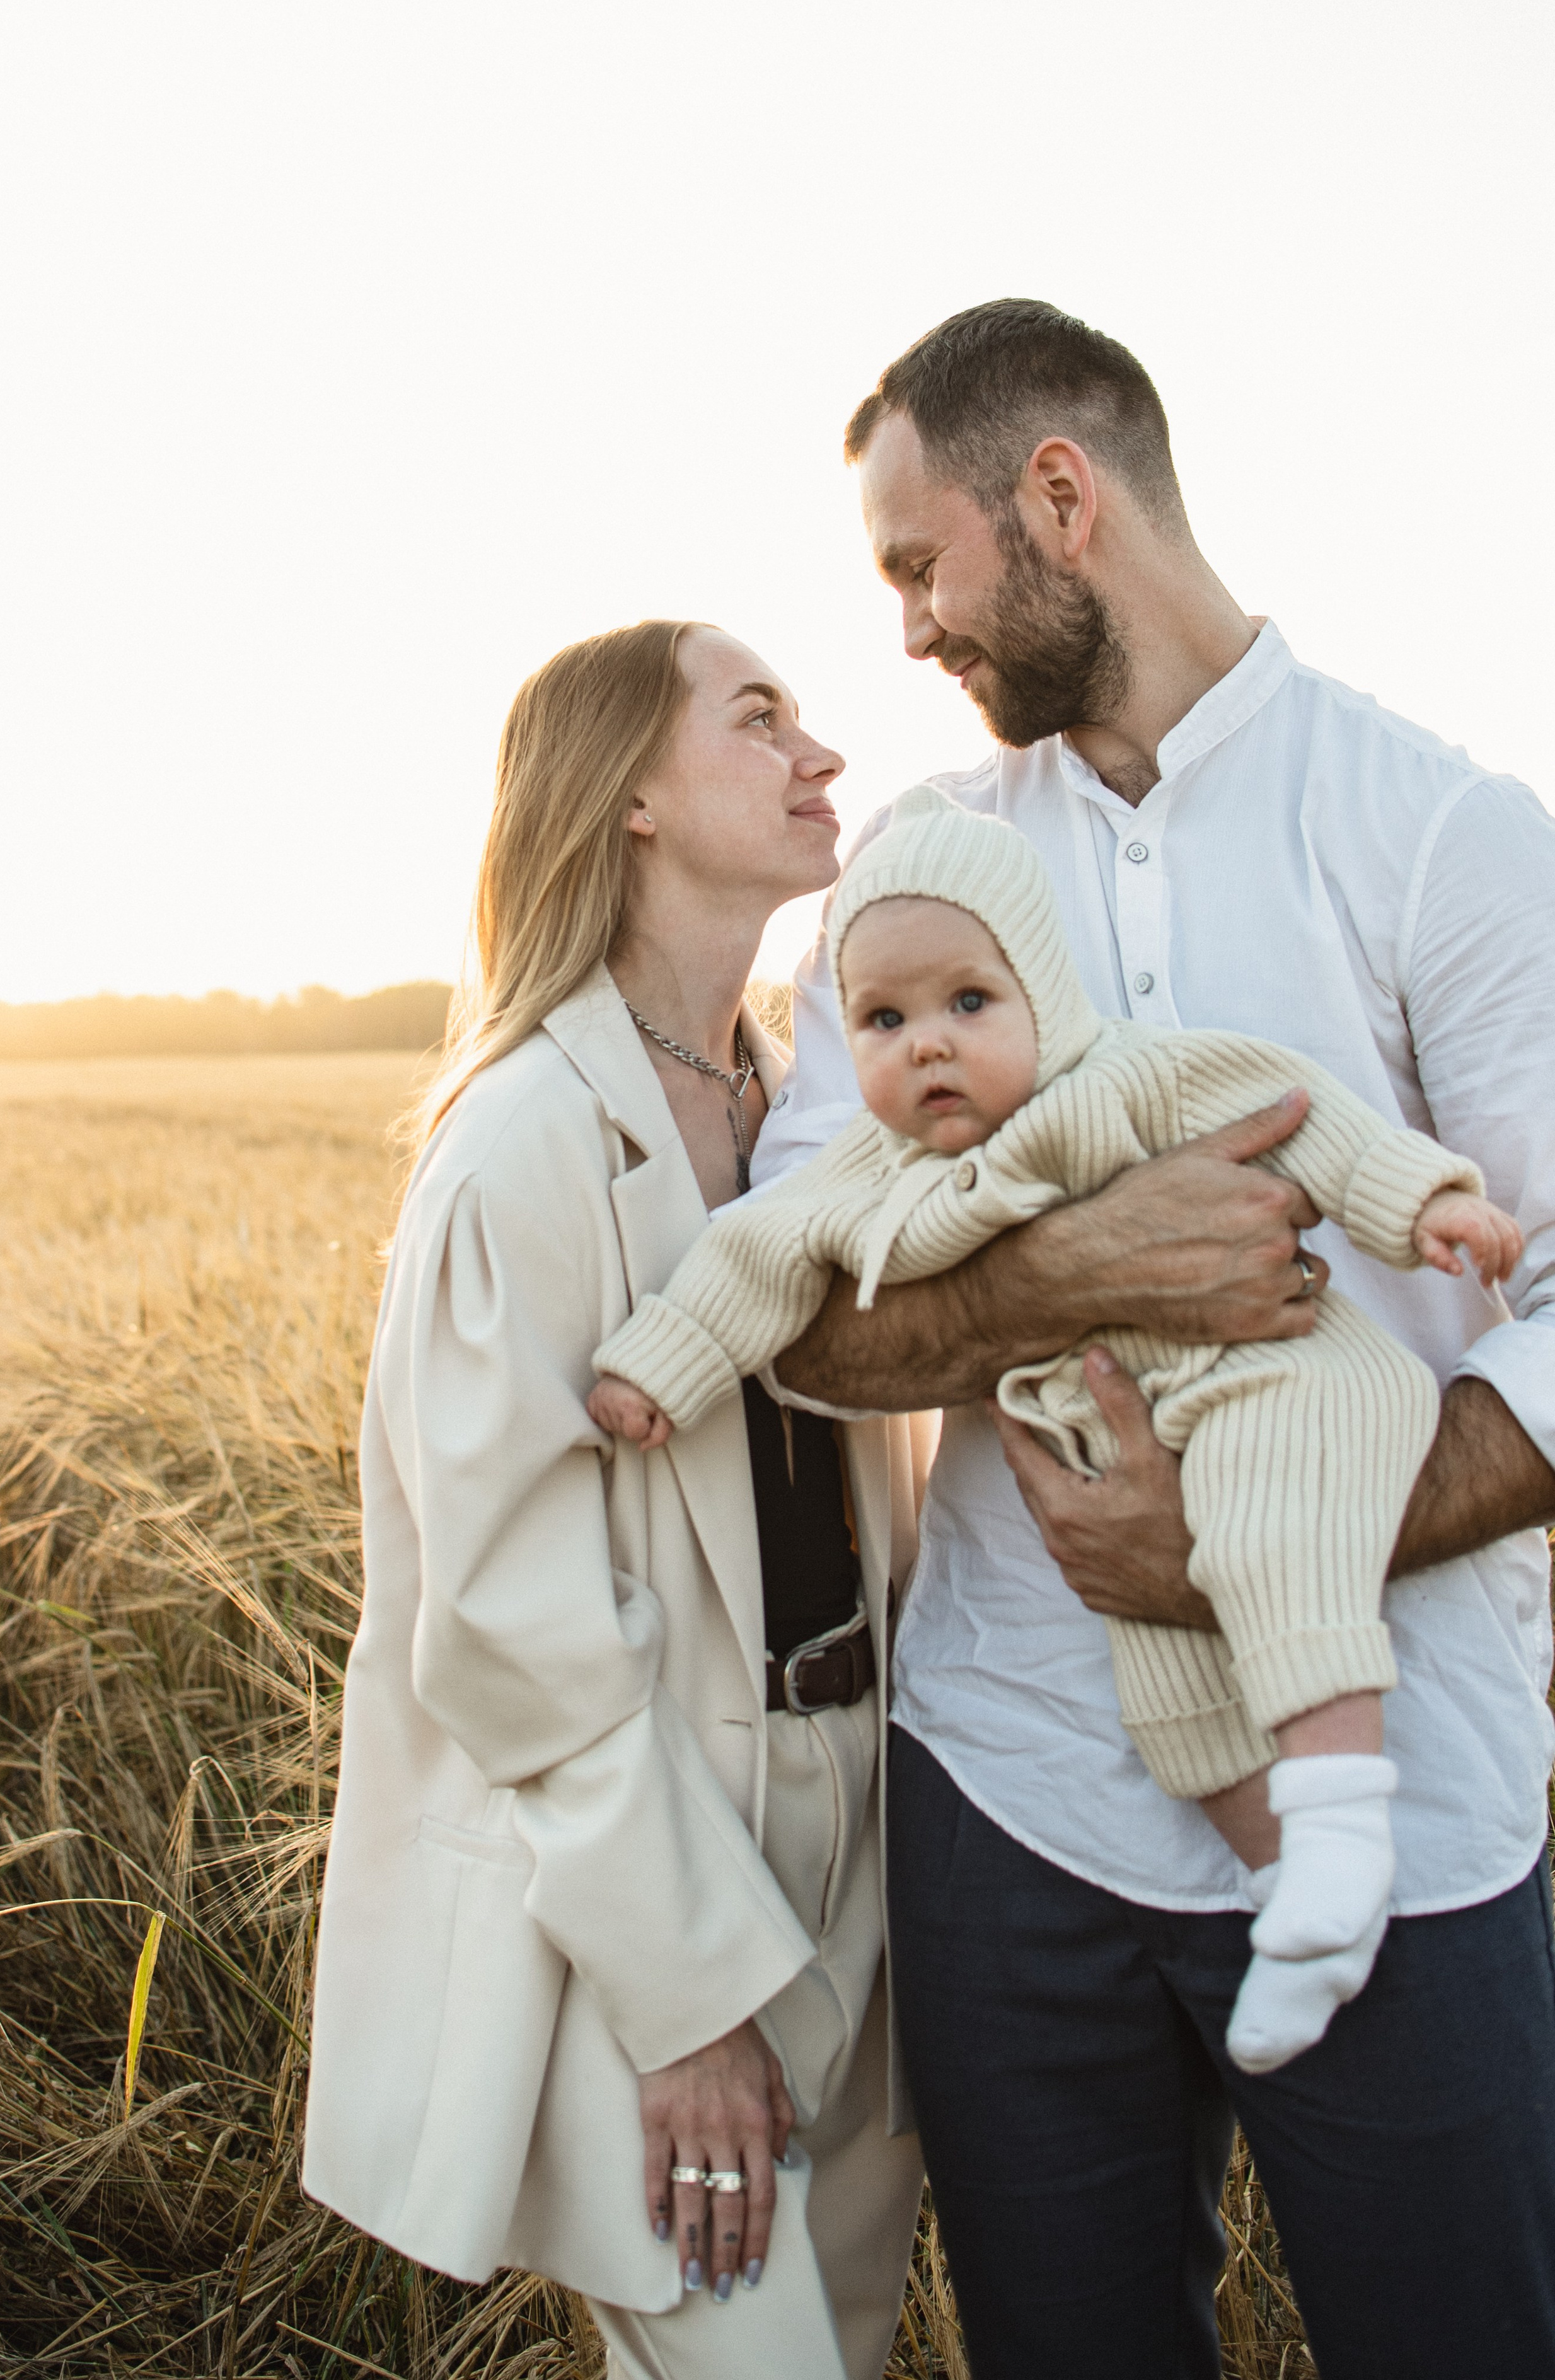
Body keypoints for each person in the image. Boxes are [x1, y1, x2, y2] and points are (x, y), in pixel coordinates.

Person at [752, 301, 1555, 2379]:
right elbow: (803, 1315)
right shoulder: (928, 872)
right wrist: (1075, 1268)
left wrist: (1258, 1553)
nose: (911, 626)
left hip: (1406, 1794)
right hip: (1005, 1801)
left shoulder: (1443, 834)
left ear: (1057, 498)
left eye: (917, 564)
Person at [587, 780, 1522, 2076]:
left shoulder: (1129, 1076)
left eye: (968, 1005)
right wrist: (661, 1365)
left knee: (1270, 1523)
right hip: (1103, 1481)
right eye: (882, 1019)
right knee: (1172, 1688)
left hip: (1279, 1385)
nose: (927, 1046)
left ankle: (1342, 1813)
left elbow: (1311, 1122)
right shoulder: (873, 1165)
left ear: (1039, 992)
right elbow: (756, 1258)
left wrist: (1421, 1204)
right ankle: (1300, 1908)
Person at [303, 620, 926, 2380]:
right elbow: (506, 1622)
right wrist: (684, 1999)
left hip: (868, 1808)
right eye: (761, 718)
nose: (821, 754)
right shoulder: (519, 1141)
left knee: (850, 2339)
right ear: (633, 797)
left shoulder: (819, 1087)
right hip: (657, 1859)